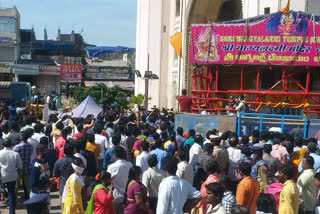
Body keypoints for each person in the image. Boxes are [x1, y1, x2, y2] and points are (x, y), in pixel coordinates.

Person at [107, 146, 133, 214]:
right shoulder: (130, 165)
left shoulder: (112, 167)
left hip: (116, 196)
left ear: (115, 155)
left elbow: (107, 180)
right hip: (128, 196)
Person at [0, 138, 23, 214]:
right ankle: (12, 212)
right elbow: (20, 166)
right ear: (11, 145)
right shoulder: (15, 154)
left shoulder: (0, 153)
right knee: (11, 193)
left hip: (2, 176)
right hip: (12, 176)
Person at [52, 142, 75, 211]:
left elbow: (55, 174)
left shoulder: (59, 162)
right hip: (75, 188)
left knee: (64, 209)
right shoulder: (77, 161)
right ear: (73, 151)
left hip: (63, 187)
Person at [13, 130, 33, 199]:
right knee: (29, 187)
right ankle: (33, 201)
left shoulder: (16, 147)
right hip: (27, 168)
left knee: (16, 187)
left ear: (21, 137)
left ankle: (14, 203)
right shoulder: (30, 146)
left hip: (18, 169)